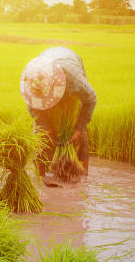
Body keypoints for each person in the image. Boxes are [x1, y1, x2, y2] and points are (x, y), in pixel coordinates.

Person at [19, 46, 96, 184]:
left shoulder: (75, 80)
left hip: (69, 77)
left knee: (78, 131)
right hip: (48, 62)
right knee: (42, 136)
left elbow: (90, 99)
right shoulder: (34, 80)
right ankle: (40, 176)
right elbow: (33, 106)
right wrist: (47, 127)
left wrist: (78, 128)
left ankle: (83, 175)